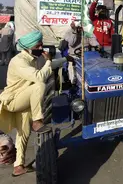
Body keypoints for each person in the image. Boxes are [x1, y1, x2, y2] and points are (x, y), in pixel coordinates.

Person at [0, 31, 72, 176]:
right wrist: (49, 61)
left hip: (23, 98)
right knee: (39, 85)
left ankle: (18, 166)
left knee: (23, 134)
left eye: (41, 45)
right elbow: (39, 77)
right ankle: (38, 121)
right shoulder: (19, 61)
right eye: (38, 46)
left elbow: (44, 71)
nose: (41, 49)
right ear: (27, 47)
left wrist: (64, 59)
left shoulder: (30, 59)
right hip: (13, 100)